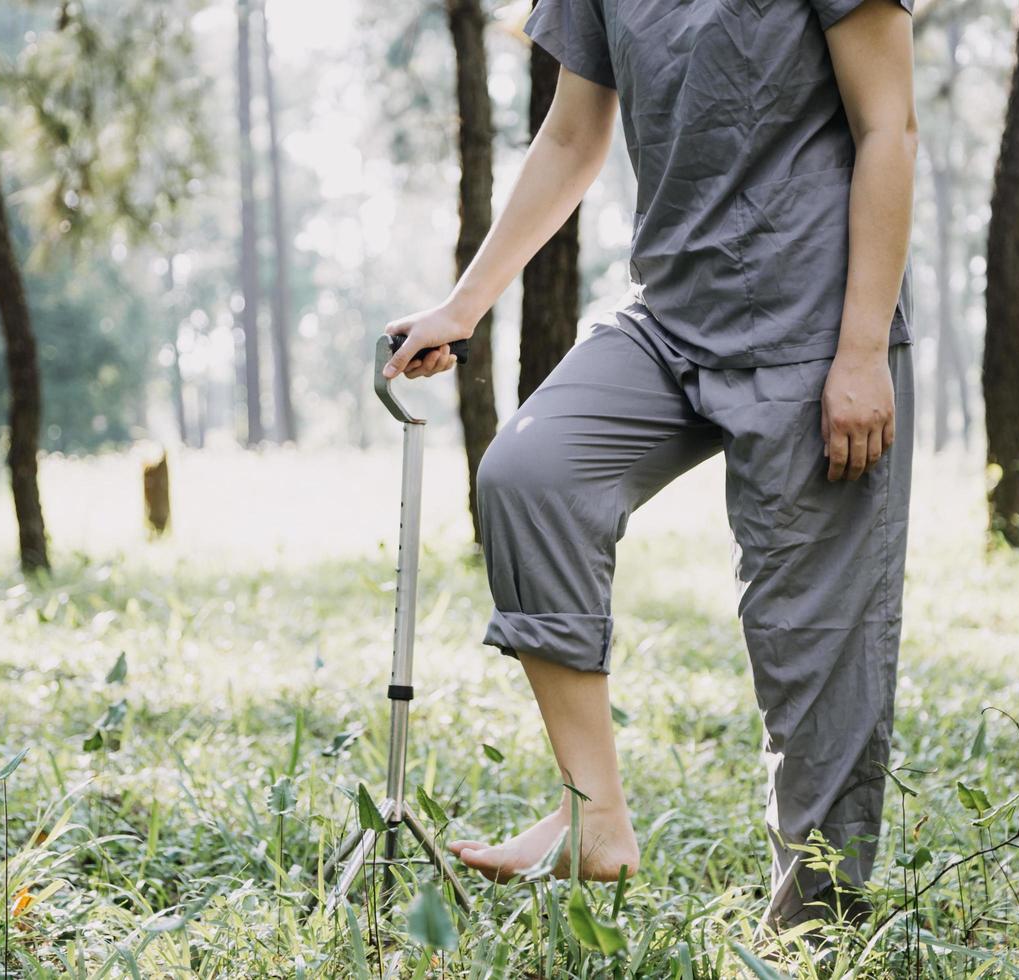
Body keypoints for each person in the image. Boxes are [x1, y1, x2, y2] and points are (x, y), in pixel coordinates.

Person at [381, 0, 918, 935]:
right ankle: (593, 819)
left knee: (812, 643)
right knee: (529, 474)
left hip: (815, 327)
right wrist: (464, 306)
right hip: (668, 320)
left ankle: (817, 930)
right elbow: (570, 135)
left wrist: (863, 348)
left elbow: (888, 126)